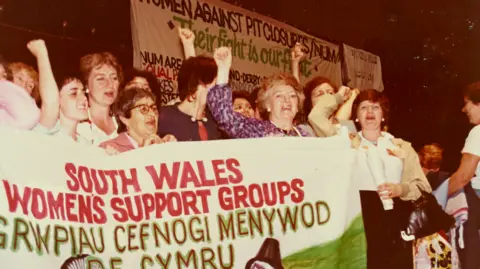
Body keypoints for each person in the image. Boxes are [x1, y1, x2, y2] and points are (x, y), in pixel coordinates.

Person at [207, 47, 311, 138]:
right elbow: (225, 117)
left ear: (297, 106)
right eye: (279, 95)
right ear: (267, 105)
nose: (287, 100)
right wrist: (223, 69)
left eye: (292, 96)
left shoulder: (307, 138)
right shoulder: (257, 131)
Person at [157, 28, 221, 141]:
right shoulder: (163, 117)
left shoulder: (217, 123)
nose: (221, 91)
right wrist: (188, 46)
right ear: (200, 83)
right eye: (216, 83)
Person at [27, 39, 89, 143]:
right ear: (58, 100)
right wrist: (41, 53)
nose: (83, 98)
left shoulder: (85, 143)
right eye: (73, 93)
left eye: (83, 92)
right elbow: (50, 102)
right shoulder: (48, 134)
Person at [447, 81, 480, 269]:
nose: (463, 109)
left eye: (466, 103)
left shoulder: (478, 132)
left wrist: (436, 198)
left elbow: (463, 177)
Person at [100, 87, 176, 154]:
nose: (152, 114)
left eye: (154, 108)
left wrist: (172, 152)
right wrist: (143, 153)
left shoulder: (163, 145)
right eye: (143, 109)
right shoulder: (107, 150)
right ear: (125, 119)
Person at [77, 52, 123, 145]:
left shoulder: (124, 120)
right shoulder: (77, 123)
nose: (110, 84)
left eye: (114, 78)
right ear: (86, 85)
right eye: (101, 79)